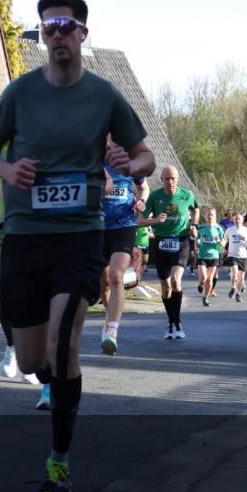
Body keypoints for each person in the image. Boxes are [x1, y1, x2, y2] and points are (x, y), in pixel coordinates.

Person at [0, 0, 154, 492]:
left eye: (65, 26)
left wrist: (129, 164)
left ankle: (59, 461)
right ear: (42, 34)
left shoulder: (105, 95)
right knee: (33, 359)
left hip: (79, 235)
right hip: (24, 238)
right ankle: (52, 381)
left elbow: (144, 156)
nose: (56, 34)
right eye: (48, 27)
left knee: (63, 341)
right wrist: (8, 169)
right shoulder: (20, 93)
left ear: (82, 34)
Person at [0, 166, 39, 387]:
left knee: (30, 298)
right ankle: (12, 347)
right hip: (2, 234)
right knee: (3, 295)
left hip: (34, 235)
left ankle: (29, 359)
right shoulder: (0, 155)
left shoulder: (42, 154)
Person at [99, 138, 149, 355]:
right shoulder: (92, 161)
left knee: (117, 276)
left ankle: (112, 330)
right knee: (104, 283)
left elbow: (144, 187)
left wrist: (142, 201)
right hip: (99, 228)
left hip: (125, 226)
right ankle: (108, 316)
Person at [139, 167, 199, 339]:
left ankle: (177, 322)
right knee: (166, 288)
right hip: (161, 243)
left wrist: (194, 225)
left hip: (181, 241)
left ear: (178, 179)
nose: (170, 182)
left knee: (175, 280)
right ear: (161, 179)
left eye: (173, 178)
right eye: (167, 178)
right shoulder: (155, 196)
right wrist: (155, 220)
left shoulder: (187, 195)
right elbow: (140, 220)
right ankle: (171, 321)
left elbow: (196, 209)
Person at [195, 208, 227, 307]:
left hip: (214, 256)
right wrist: (196, 247)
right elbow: (196, 239)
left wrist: (219, 241)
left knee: (209, 279)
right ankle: (200, 284)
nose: (210, 216)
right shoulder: (201, 228)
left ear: (215, 216)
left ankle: (205, 297)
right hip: (202, 256)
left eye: (212, 214)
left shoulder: (219, 228)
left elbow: (223, 244)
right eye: (208, 214)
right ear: (206, 216)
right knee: (203, 277)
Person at [223, 215, 247, 303]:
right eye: (236, 219)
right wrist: (223, 249)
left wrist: (246, 241)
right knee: (234, 273)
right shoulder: (229, 230)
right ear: (234, 221)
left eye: (239, 219)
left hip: (243, 256)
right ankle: (233, 288)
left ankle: (238, 293)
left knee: (241, 278)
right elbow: (224, 241)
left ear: (242, 220)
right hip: (232, 255)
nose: (237, 220)